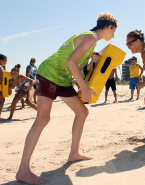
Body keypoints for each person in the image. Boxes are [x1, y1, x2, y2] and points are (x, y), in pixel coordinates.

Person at [16, 12, 118, 184]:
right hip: (49, 73)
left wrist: (92, 61)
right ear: (108, 27)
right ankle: (23, 171)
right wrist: (84, 88)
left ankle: (74, 153)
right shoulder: (91, 37)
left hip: (62, 78)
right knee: (43, 119)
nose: (114, 35)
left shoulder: (92, 44)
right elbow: (71, 61)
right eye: (114, 31)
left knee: (82, 112)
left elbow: (79, 65)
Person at [0, 54, 7, 120]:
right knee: (2, 100)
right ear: (1, 61)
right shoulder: (1, 68)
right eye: (5, 61)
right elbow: (2, 80)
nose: (6, 62)